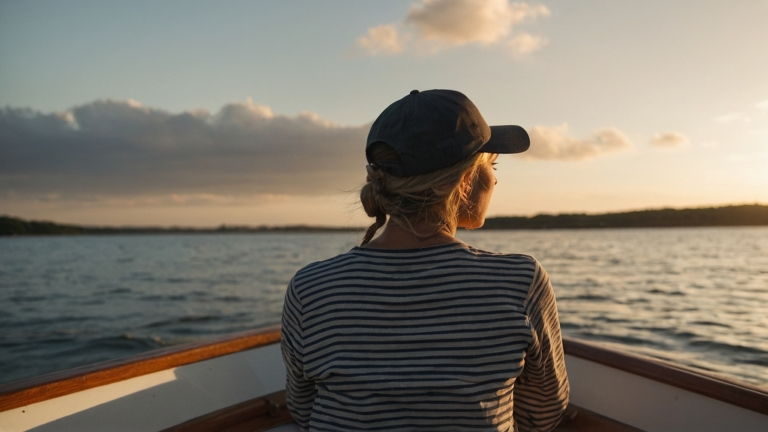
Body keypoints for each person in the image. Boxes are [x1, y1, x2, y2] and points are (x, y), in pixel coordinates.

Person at [281, 89, 569, 431]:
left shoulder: (310, 288)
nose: (495, 179)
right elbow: (544, 413)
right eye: (491, 165)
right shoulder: (520, 281)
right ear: (464, 182)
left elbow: (302, 408)